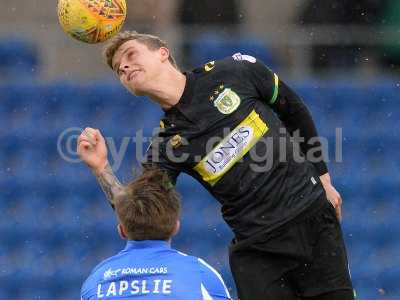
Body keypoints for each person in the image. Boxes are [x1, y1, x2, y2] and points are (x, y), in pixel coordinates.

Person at [77, 31, 354, 299]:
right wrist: (102, 168)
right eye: (118, 69)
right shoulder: (166, 146)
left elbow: (294, 110)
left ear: (163, 52)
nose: (124, 67)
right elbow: (138, 212)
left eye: (130, 55)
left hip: (311, 218)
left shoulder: (236, 72)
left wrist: (324, 179)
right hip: (258, 249)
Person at [79, 168, 232, 300]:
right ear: (176, 227)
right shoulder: (201, 274)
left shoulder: (97, 279)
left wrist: (101, 169)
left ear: (121, 230)